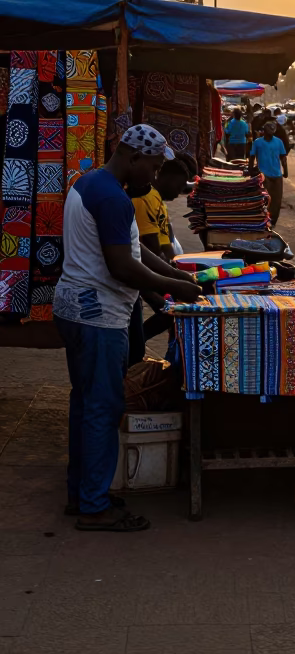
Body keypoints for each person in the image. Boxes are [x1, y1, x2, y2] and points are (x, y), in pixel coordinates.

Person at [52, 124, 201, 532]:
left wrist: (174, 274)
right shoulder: (113, 199)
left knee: (86, 405)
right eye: (152, 168)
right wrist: (173, 287)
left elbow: (133, 253)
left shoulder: (92, 183)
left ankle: (81, 493)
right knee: (102, 408)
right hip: (97, 314)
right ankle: (94, 507)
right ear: (133, 158)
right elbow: (122, 267)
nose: (153, 177)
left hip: (76, 308)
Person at [130, 158, 191, 348]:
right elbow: (151, 247)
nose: (179, 191)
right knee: (170, 311)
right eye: (179, 185)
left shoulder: (155, 199)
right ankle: (137, 344)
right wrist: (172, 278)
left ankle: (138, 343)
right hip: (141, 273)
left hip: (152, 270)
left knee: (171, 312)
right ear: (167, 177)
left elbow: (165, 242)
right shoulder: (146, 199)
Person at [248, 121, 288, 225]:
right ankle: (265, 218)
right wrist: (250, 170)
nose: (270, 134)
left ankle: (273, 220)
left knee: (277, 199)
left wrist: (285, 170)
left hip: (277, 174)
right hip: (264, 175)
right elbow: (252, 157)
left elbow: (283, 157)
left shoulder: (279, 142)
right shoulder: (257, 142)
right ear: (264, 131)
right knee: (265, 199)